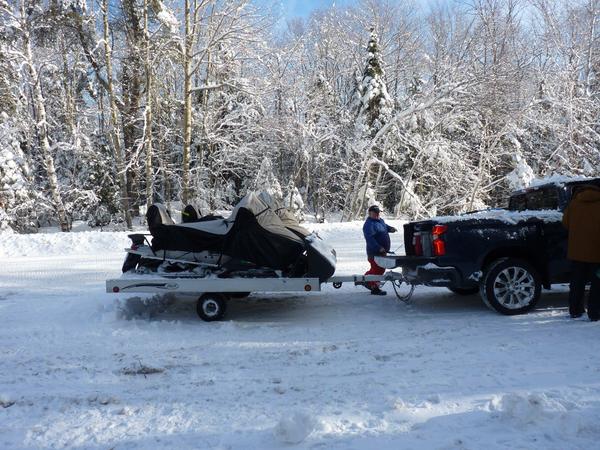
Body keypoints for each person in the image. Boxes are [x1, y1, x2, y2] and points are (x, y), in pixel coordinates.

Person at [562, 184, 600, 321]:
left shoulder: (574, 203)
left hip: (577, 252)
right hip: (597, 253)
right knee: (597, 284)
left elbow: (565, 223)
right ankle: (595, 313)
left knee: (577, 283)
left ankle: (575, 310)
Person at [363, 205, 397, 295]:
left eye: (378, 213)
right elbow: (369, 239)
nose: (377, 215)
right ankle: (374, 288)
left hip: (382, 252)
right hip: (374, 252)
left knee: (380, 269)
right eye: (375, 213)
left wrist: (390, 229)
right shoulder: (369, 224)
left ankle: (365, 279)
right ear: (370, 213)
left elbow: (384, 227)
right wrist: (378, 247)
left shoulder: (380, 221)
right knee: (377, 270)